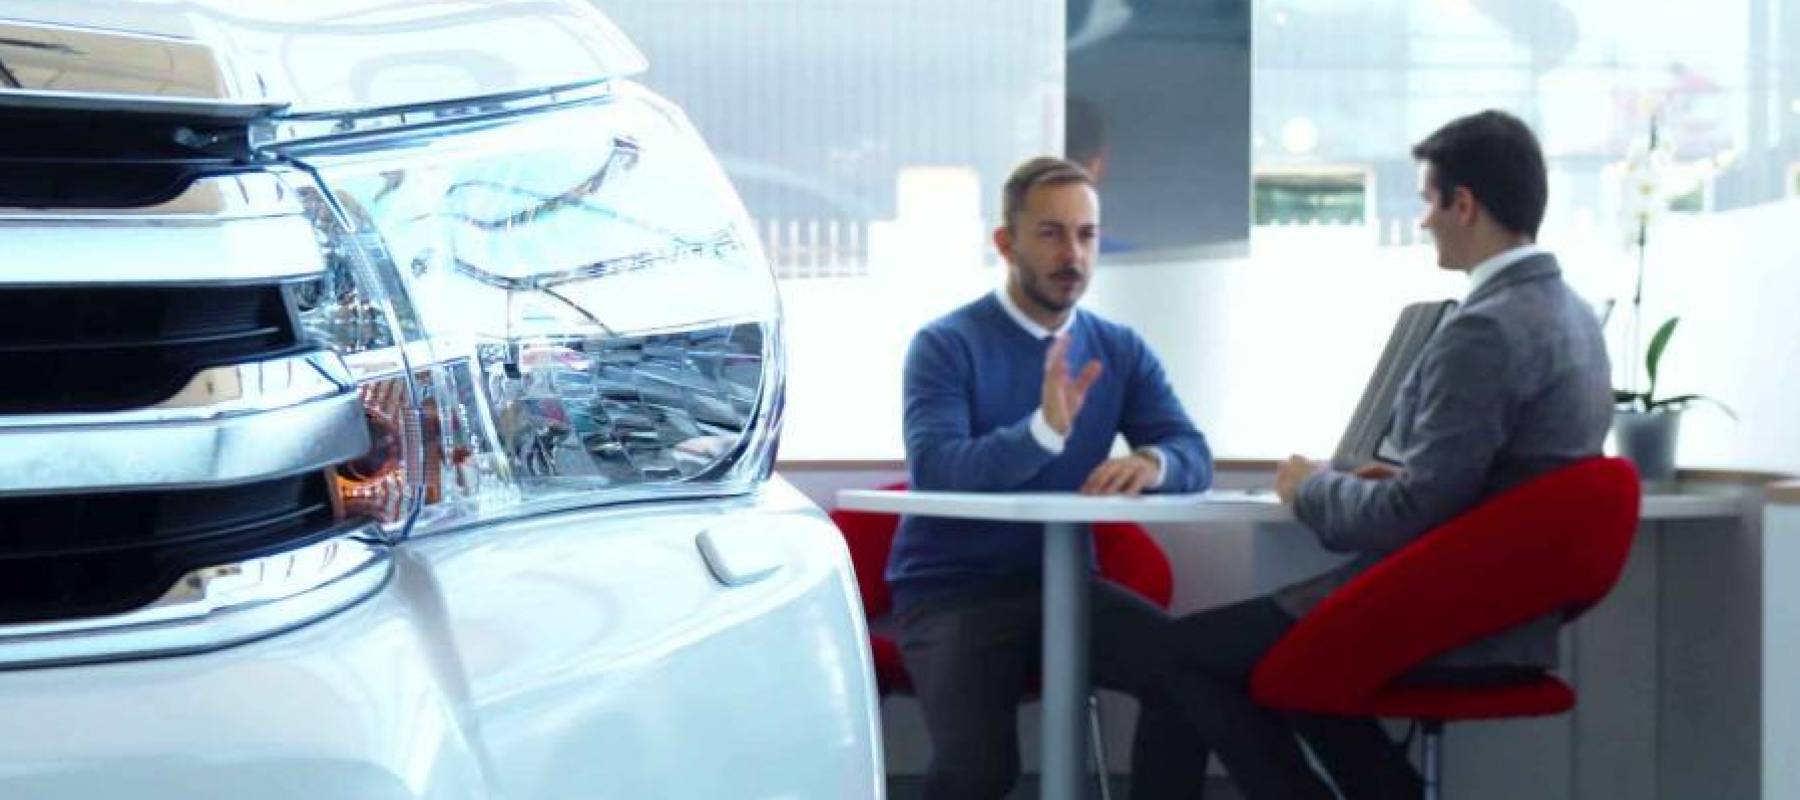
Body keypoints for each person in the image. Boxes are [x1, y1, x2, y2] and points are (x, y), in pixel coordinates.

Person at [1137, 110, 1613, 799]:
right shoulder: (1574, 316)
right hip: (1507, 613)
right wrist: (1399, 479)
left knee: (1176, 656)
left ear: (1464, 203)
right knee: (1277, 671)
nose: (1423, 222)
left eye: (1427, 201)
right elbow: (1489, 484)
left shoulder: (1482, 329)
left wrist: (1309, 488)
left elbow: (1410, 513)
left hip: (1450, 617)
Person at [888, 155, 1214, 799]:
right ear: (1006, 243)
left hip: (1066, 585)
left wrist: (1153, 464)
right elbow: (938, 467)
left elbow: (1191, 450)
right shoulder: (945, 345)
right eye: (1051, 233)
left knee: (1193, 676)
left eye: (1087, 235)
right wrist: (1043, 432)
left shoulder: (1118, 348)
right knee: (979, 772)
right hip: (953, 593)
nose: (1074, 254)